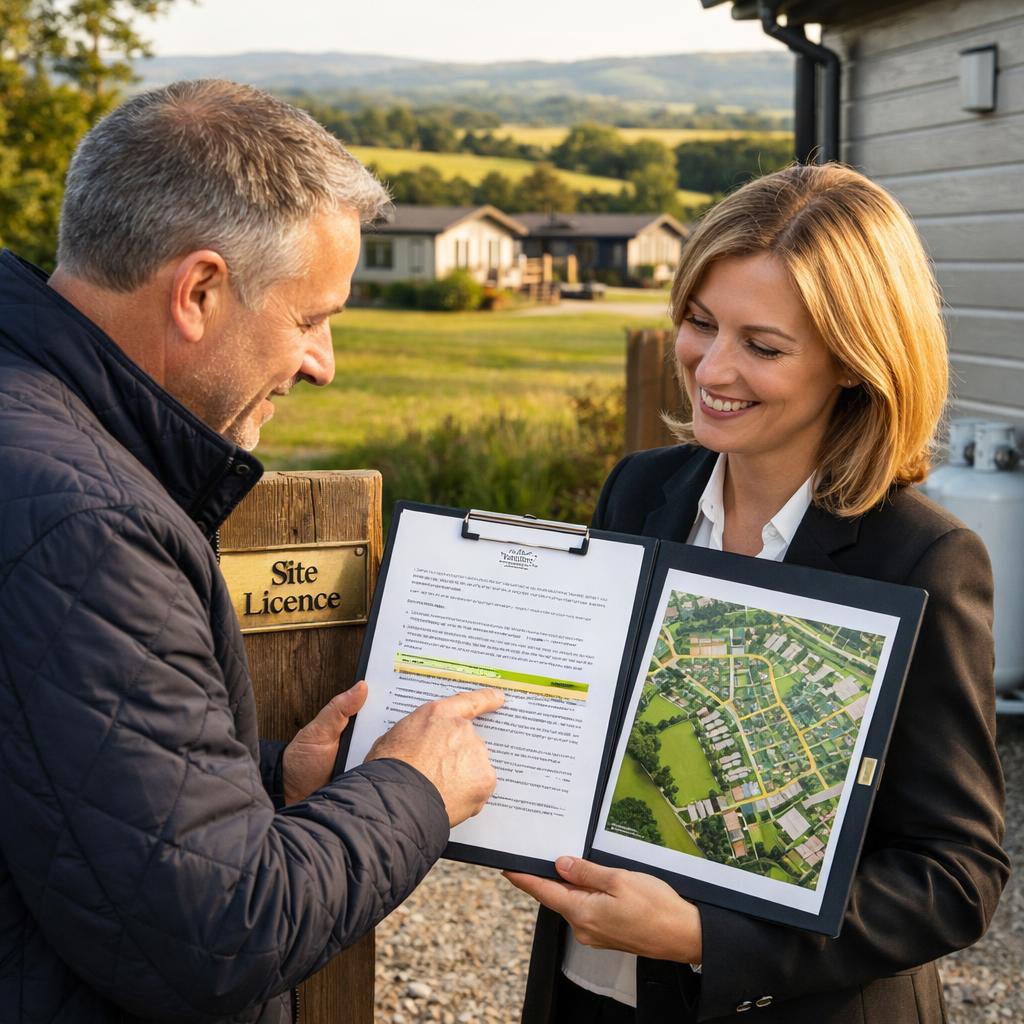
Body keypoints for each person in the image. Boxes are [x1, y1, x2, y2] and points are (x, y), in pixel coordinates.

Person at [0, 79, 504, 1023]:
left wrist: (270, 781)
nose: (323, 363)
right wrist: (414, 790)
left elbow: (53, 775)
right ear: (198, 292)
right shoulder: (90, 524)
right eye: (311, 319)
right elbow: (222, 931)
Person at [508, 163, 1009, 1024]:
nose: (713, 367)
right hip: (593, 989)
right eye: (701, 323)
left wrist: (707, 937)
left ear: (853, 362)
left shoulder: (924, 559)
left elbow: (956, 874)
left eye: (763, 347)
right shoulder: (638, 490)